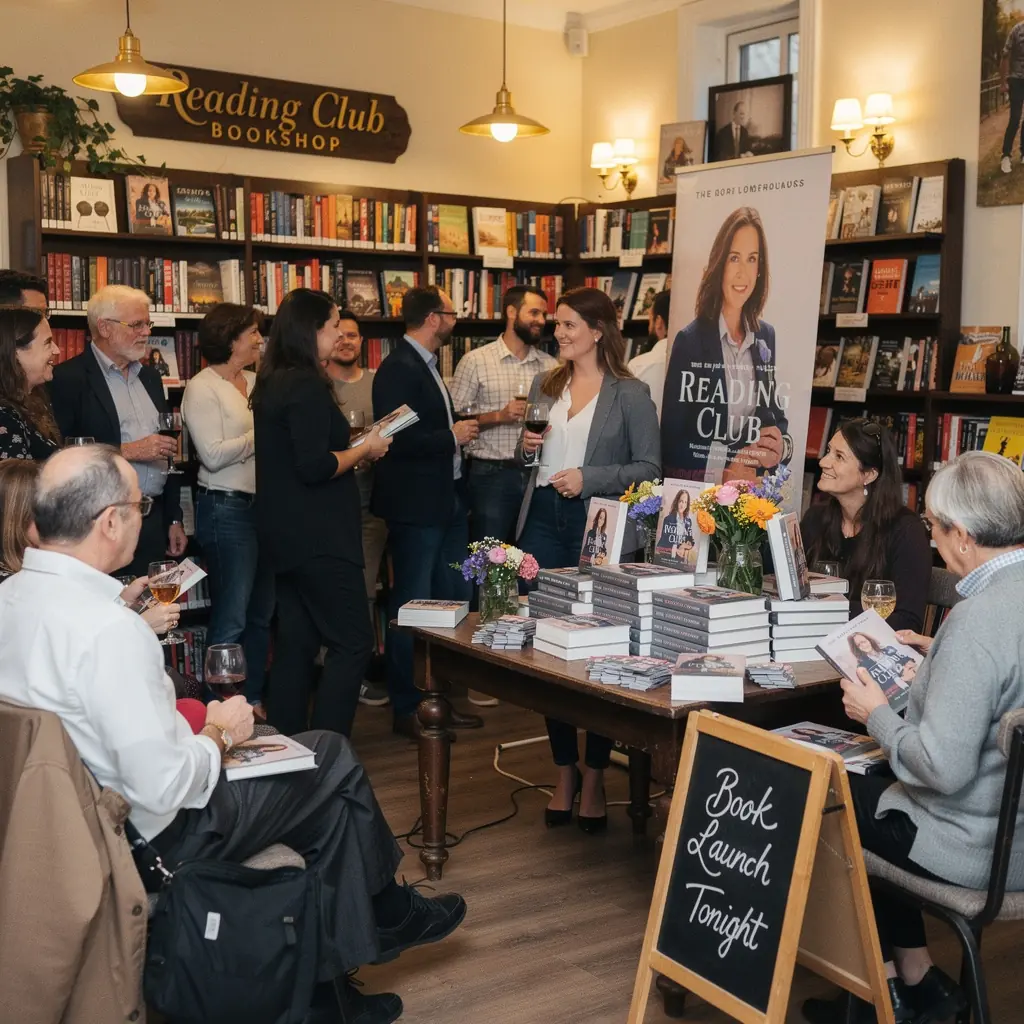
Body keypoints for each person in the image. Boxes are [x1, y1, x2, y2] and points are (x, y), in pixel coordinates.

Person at [0, 444, 466, 1024]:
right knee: (330, 758)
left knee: (325, 796)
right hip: (145, 838)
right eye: (140, 505)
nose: (143, 516)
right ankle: (375, 925)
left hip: (53, 830)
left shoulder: (11, 599)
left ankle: (333, 990)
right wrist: (220, 735)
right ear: (109, 522)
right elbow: (168, 788)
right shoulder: (108, 632)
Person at [804, 451, 1024, 1024]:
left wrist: (877, 712)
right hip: (1015, 830)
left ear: (965, 535)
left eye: (933, 526)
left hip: (974, 848)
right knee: (867, 783)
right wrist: (937, 664)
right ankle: (916, 978)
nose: (930, 540)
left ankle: (871, 992)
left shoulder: (978, 622)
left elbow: (942, 767)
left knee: (821, 790)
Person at [515, 287, 660, 832]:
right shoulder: (545, 383)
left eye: (570, 325)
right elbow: (528, 455)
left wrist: (589, 478)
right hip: (542, 520)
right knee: (551, 648)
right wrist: (527, 452)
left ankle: (597, 773)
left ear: (599, 331)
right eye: (558, 324)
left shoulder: (631, 393)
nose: (560, 333)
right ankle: (564, 771)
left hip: (597, 521)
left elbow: (648, 468)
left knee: (598, 647)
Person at [252, 288, 391, 740]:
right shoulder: (308, 383)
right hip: (321, 536)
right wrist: (365, 449)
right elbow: (314, 466)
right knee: (353, 644)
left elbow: (299, 454)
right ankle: (329, 748)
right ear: (312, 330)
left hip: (286, 534)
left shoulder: (273, 379)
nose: (338, 334)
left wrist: (350, 450)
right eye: (333, 325)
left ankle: (291, 743)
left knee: (297, 643)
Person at [372, 286, 483, 740]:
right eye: (452, 313)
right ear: (434, 318)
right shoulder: (398, 368)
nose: (456, 320)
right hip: (417, 507)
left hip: (447, 498)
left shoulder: (430, 365)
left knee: (450, 599)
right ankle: (407, 705)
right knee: (414, 606)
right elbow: (393, 439)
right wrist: (452, 436)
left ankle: (437, 699)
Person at [48, 284, 183, 577]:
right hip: (98, 522)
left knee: (149, 614)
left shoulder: (150, 378)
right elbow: (59, 453)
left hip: (151, 517)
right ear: (105, 328)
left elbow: (167, 451)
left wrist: (174, 518)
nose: (146, 332)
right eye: (137, 324)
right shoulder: (68, 378)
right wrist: (131, 450)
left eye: (148, 324)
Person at [181, 303, 274, 709]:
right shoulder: (202, 386)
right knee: (231, 616)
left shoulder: (257, 381)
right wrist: (264, 435)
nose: (259, 340)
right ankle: (218, 707)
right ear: (231, 338)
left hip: (265, 508)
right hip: (225, 509)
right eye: (253, 332)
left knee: (261, 613)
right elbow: (214, 455)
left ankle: (250, 701)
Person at [661, 207, 791, 484]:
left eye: (752, 259)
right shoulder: (690, 341)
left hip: (749, 490)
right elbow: (672, 440)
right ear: (719, 265)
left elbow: (775, 418)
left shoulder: (766, 336)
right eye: (734, 258)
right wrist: (726, 466)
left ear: (760, 270)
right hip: (701, 492)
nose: (743, 272)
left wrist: (780, 446)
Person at [449, 285, 557, 545]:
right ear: (511, 312)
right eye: (534, 312)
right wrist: (499, 416)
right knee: (489, 559)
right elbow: (455, 422)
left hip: (537, 473)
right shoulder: (475, 361)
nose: (541, 321)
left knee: (532, 555)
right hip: (491, 476)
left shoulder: (551, 366)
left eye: (544, 315)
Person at [802, 418, 931, 633]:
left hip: (870, 652)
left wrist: (826, 608)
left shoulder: (907, 531)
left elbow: (907, 622)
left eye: (839, 457)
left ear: (869, 475)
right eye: (828, 451)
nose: (824, 462)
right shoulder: (815, 518)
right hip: (811, 642)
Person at [324, 309, 389, 708]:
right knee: (335, 590)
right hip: (332, 506)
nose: (347, 341)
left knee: (366, 591)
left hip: (373, 504)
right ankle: (334, 670)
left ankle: (359, 672)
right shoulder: (319, 386)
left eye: (354, 335)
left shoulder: (378, 384)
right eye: (340, 334)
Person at [0, 307, 61, 461]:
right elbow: (15, 484)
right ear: (15, 353)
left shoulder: (36, 400)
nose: (57, 350)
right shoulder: (5, 419)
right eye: (48, 342)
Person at [627, 289, 671, 416]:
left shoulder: (638, 366)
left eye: (650, 319)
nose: (649, 326)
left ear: (658, 321)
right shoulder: (703, 363)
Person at [847, 631, 917, 701]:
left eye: (864, 641)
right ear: (857, 648)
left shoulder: (888, 649)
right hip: (896, 697)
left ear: (869, 640)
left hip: (915, 685)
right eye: (858, 645)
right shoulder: (863, 666)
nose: (863, 645)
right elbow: (876, 688)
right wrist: (901, 679)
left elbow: (908, 660)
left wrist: (907, 669)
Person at [1001, 19, 1024, 175]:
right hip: (1016, 80)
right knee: (1015, 118)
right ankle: (1006, 156)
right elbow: (1005, 55)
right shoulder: (1017, 30)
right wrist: (1003, 81)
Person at [656, 486, 695, 562]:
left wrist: (685, 545)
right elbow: (665, 541)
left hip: (680, 557)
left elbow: (690, 540)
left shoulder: (688, 521)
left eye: (685, 502)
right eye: (681, 501)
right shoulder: (668, 519)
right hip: (666, 556)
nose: (682, 505)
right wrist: (678, 547)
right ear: (677, 502)